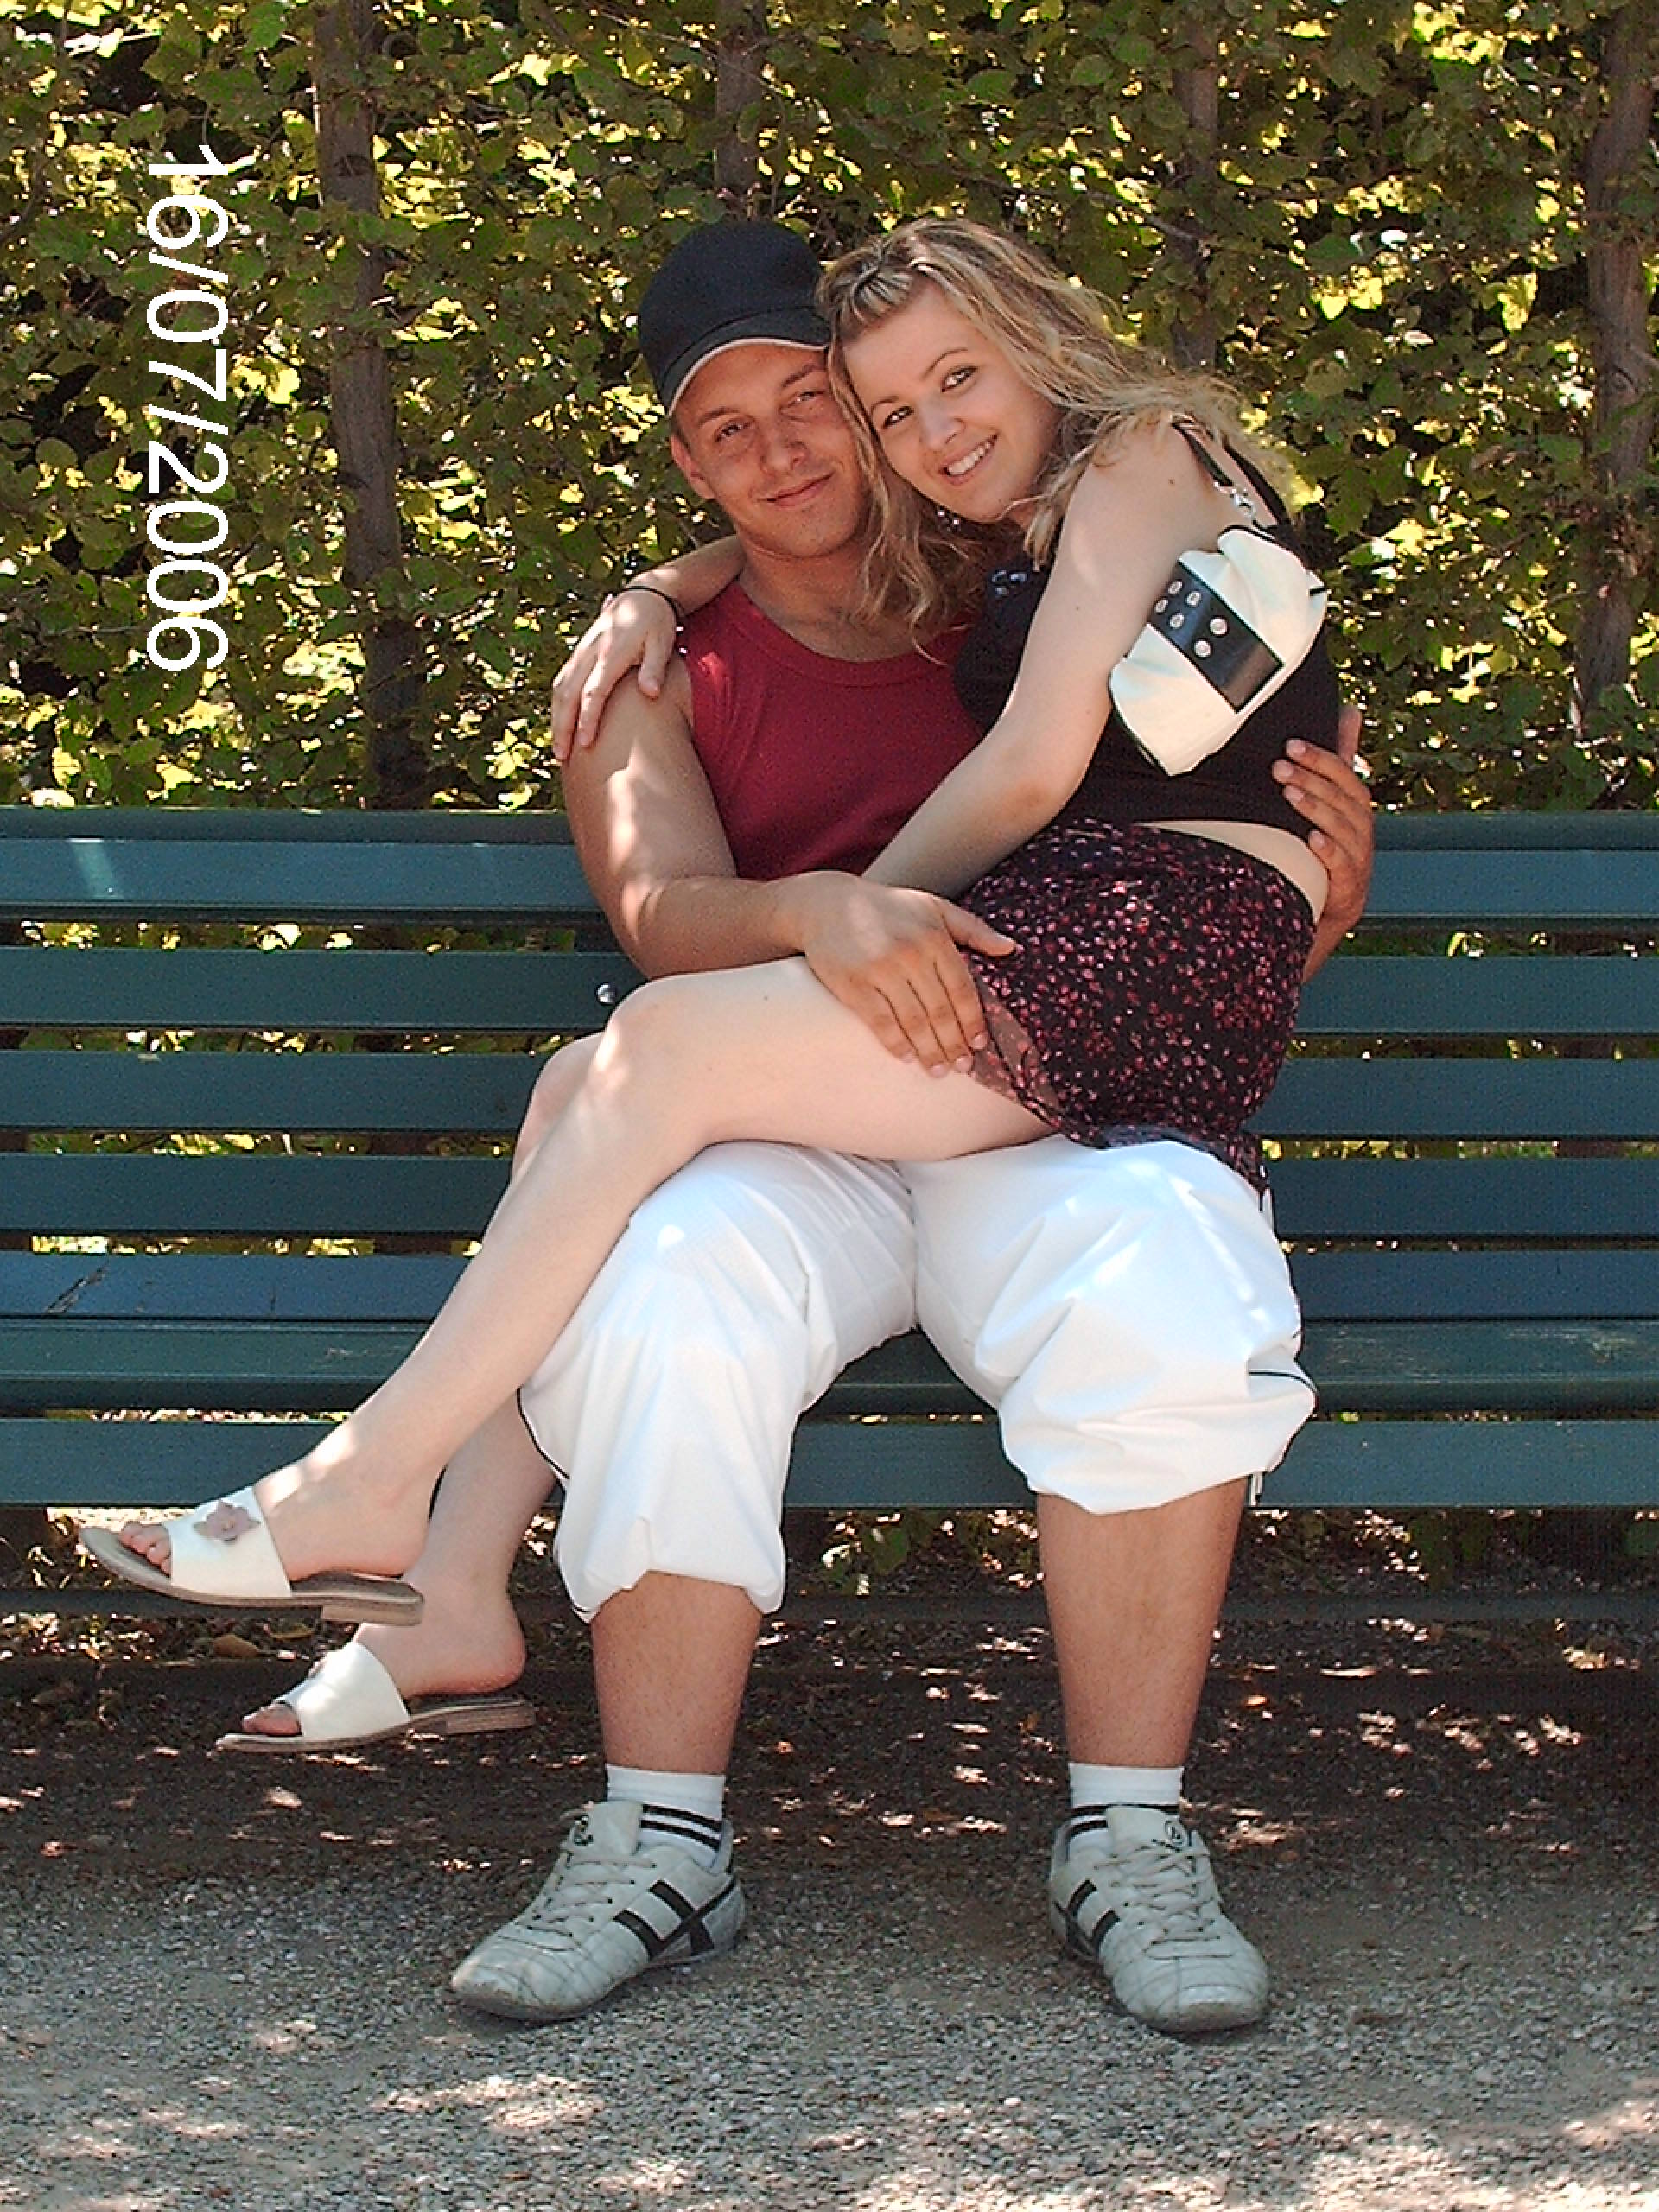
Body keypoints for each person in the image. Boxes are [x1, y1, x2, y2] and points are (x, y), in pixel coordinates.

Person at [83, 220, 1376, 2036]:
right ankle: (650, 1826)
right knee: (649, 1222)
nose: (807, 448)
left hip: (1049, 1062)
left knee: (1154, 1265)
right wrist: (806, 880)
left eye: (829, 403)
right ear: (686, 464)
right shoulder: (673, 654)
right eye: (732, 430)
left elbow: (1223, 727)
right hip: (839, 1108)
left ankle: (1129, 1836)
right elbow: (665, 912)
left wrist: (1324, 851)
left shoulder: (1006, 544)